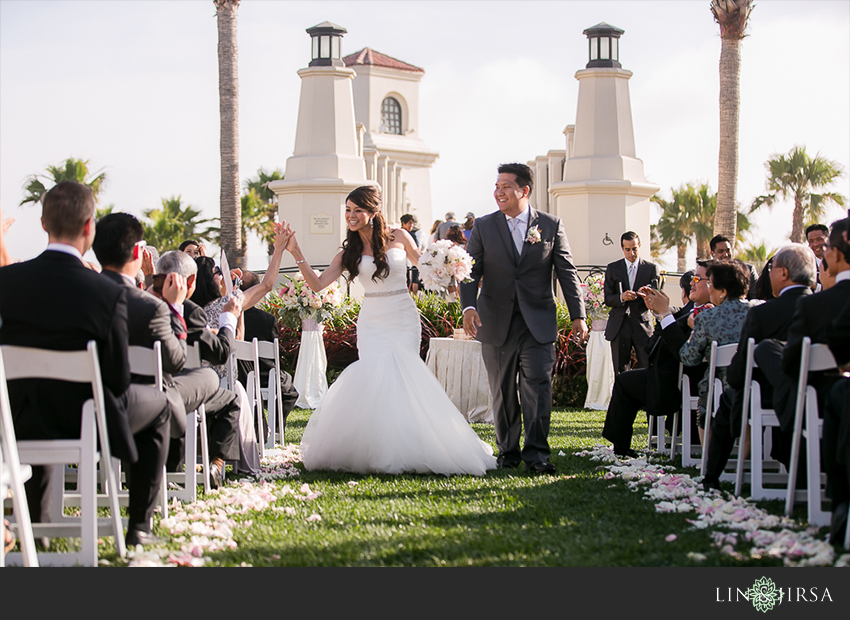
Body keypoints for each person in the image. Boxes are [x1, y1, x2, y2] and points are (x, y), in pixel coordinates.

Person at [279, 185, 496, 475]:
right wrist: (297, 252)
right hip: (372, 319)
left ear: (373, 211)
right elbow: (318, 285)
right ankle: (377, 446)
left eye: (358, 210)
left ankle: (414, 443)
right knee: (375, 373)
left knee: (405, 374)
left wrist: (450, 265)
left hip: (403, 315)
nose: (351, 216)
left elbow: (423, 265)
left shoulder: (400, 236)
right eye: (348, 210)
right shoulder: (349, 251)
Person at [0, 181, 169, 547]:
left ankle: (36, 529)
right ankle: (139, 526)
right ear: (89, 227)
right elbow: (118, 379)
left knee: (38, 394)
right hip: (85, 420)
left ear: (43, 224)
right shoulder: (107, 293)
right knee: (160, 405)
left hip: (16, 420)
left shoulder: (6, 282)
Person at [460, 163, 588, 474]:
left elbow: (567, 273)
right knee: (502, 391)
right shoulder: (484, 226)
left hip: (538, 322)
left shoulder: (551, 225)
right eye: (497, 186)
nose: (499, 192)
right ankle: (508, 453)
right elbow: (469, 270)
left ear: (524, 190)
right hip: (496, 322)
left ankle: (538, 456)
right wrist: (468, 307)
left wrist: (578, 316)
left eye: (506, 186)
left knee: (538, 387)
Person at [700, 244, 815, 491]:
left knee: (730, 398)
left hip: (768, 398)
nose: (767, 274)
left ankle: (712, 476)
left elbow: (740, 371)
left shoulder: (764, 313)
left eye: (771, 269)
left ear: (784, 274)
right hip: (819, 397)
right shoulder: (825, 307)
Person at [602, 269, 707, 458]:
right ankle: (620, 445)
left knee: (625, 383)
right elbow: (677, 314)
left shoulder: (706, 312)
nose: (692, 282)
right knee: (625, 380)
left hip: (677, 381)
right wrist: (658, 308)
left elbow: (683, 349)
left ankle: (620, 446)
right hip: (667, 373)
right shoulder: (693, 306)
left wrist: (664, 312)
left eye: (698, 279)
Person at [235, 270, 299, 441]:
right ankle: (276, 428)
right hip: (263, 376)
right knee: (289, 390)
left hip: (236, 374)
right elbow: (273, 354)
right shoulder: (267, 319)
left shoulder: (227, 316)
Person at [603, 231, 661, 375]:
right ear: (622, 248)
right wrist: (622, 297)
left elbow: (657, 297)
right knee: (620, 370)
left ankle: (647, 397)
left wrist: (646, 294)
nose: (631, 253)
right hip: (620, 325)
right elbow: (608, 298)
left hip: (642, 324)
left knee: (647, 366)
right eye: (627, 249)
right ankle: (623, 397)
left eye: (634, 248)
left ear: (639, 246)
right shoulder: (613, 268)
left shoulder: (651, 269)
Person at [710, 234, 758, 300]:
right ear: (712, 254)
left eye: (728, 250)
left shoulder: (748, 270)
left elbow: (756, 296)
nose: (726, 255)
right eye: (721, 251)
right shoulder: (708, 273)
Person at [399, 213, 422, 293]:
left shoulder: (413, 234)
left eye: (412, 223)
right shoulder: (397, 234)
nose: (412, 225)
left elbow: (417, 248)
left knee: (413, 280)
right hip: (401, 261)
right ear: (403, 223)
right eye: (410, 223)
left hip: (411, 262)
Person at [806, 223, 829, 291]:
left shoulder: (840, 262)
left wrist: (817, 287)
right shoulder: (806, 267)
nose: (815, 244)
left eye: (819, 239)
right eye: (811, 241)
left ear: (828, 239)